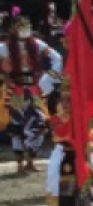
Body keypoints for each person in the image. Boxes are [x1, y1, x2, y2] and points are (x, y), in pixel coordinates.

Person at [1, 14, 62, 174]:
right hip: (14, 90)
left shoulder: (37, 44)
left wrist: (47, 80)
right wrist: (4, 79)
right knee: (17, 127)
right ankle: (20, 163)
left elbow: (58, 59)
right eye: (20, 25)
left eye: (26, 25)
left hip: (34, 89)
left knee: (39, 124)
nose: (23, 29)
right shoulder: (4, 47)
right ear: (12, 28)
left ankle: (31, 160)